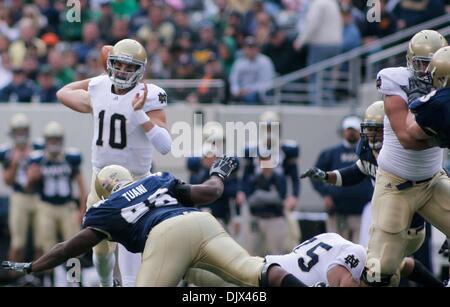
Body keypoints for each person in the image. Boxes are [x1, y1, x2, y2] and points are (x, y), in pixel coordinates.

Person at [1, 158, 307, 288]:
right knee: (251, 272)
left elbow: (66, 250)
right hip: (201, 221)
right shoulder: (157, 180)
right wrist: (219, 171)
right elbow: (211, 192)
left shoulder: (105, 209)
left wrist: (31, 266)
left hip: (164, 236)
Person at [56, 38, 172, 287]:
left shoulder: (150, 94)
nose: (122, 71)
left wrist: (139, 113)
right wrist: (92, 89)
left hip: (137, 180)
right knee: (99, 249)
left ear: (141, 71)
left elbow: (165, 146)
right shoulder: (98, 86)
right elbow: (62, 92)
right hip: (102, 181)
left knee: (130, 245)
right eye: (118, 64)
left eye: (130, 67)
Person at [301, 101, 441, 287]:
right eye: (369, 129)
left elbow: (432, 187)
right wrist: (327, 176)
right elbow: (356, 172)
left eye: (378, 130)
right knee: (390, 268)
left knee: (378, 271)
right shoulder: (369, 153)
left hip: (408, 225)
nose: (372, 136)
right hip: (387, 222)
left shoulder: (403, 153)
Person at [363, 30, 449, 287]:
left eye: (430, 64)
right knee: (382, 267)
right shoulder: (396, 80)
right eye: (421, 63)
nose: (425, 71)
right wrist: (443, 138)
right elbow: (406, 138)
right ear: (410, 61)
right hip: (396, 184)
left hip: (432, 181)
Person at [309, 115, 373, 242]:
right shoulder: (331, 154)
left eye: (354, 130)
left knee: (361, 249)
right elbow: (316, 176)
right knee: (337, 248)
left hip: (363, 212)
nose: (351, 133)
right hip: (337, 212)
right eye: (348, 129)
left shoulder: (369, 153)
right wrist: (325, 194)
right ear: (343, 131)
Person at [0, 113, 42, 271]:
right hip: (19, 197)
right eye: (18, 131)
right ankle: (14, 277)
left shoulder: (38, 148)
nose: (21, 135)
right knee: (18, 243)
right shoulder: (7, 152)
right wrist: (15, 163)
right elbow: (7, 180)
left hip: (39, 197)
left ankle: (40, 276)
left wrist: (35, 175)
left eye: (23, 131)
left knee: (42, 243)